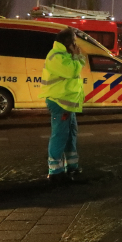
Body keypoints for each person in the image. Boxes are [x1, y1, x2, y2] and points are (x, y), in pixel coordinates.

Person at [40, 28, 86, 184]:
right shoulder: (57, 56)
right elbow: (72, 71)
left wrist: (76, 56)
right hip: (59, 101)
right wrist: (79, 57)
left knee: (70, 134)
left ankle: (71, 166)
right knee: (59, 135)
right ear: (68, 42)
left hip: (67, 102)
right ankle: (55, 171)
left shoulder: (64, 55)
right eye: (74, 41)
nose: (76, 44)